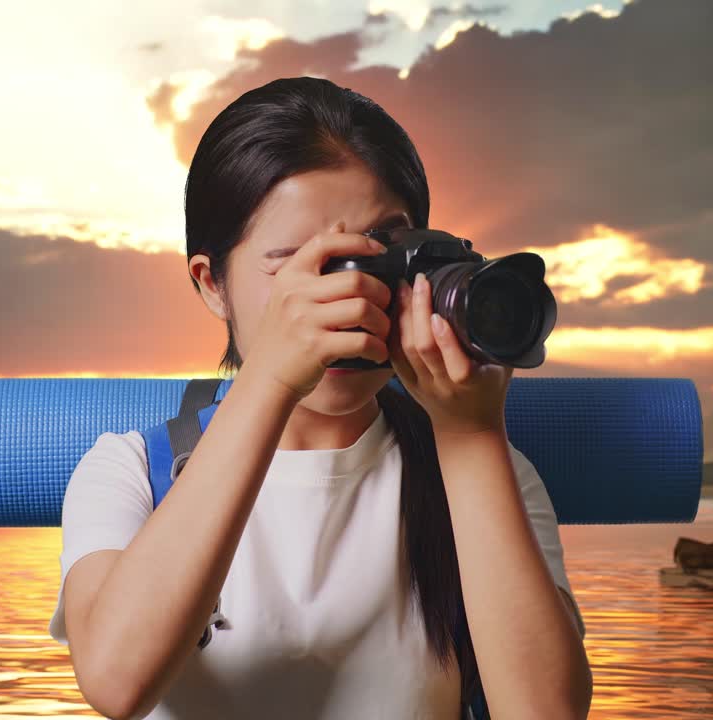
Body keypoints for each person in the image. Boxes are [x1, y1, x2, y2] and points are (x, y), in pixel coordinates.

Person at [48, 76, 591, 720]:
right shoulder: (132, 471)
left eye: (376, 258)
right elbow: (115, 684)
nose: (347, 300)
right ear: (212, 284)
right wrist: (274, 379)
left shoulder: (485, 468)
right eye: (297, 266)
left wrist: (469, 436)